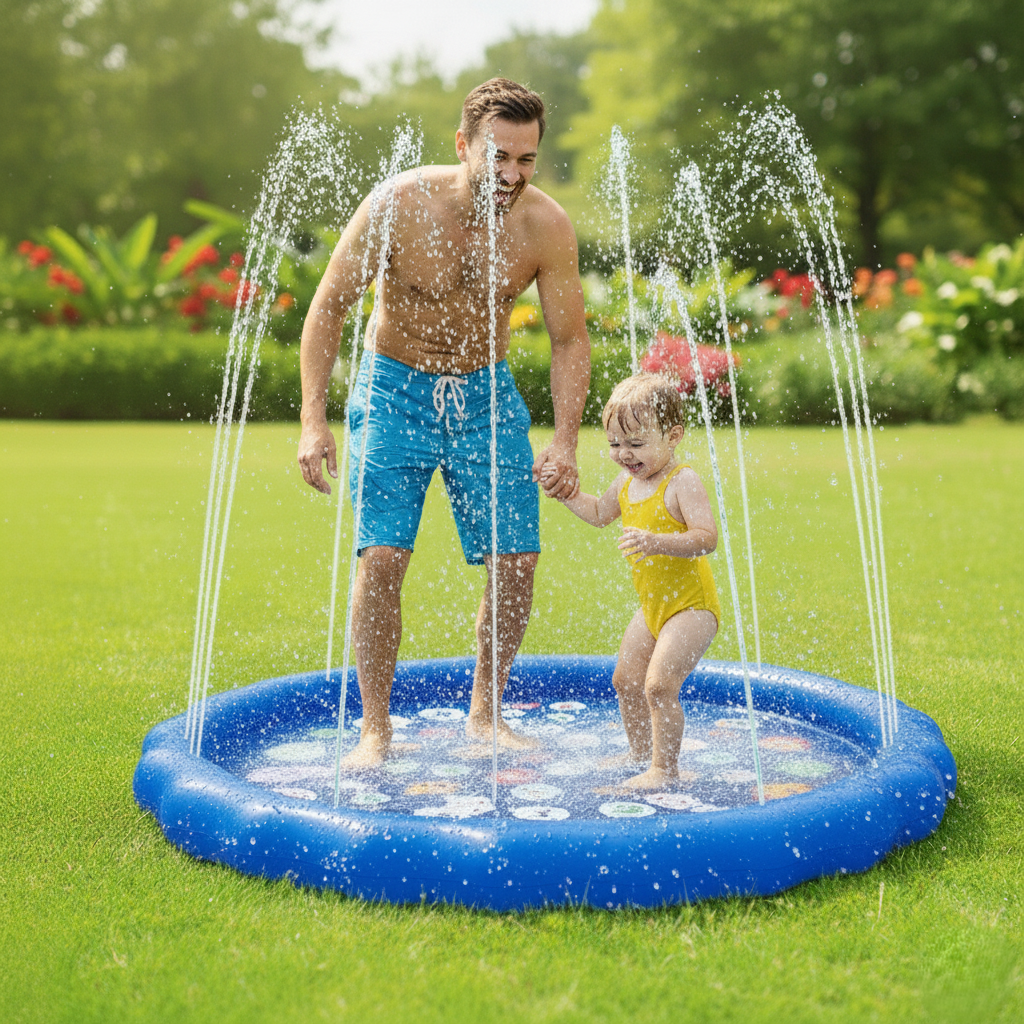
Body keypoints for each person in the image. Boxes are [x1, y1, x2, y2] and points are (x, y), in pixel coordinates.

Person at [297, 78, 591, 767]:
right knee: (383, 557)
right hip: (395, 389)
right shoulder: (398, 204)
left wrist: (567, 440)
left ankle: (486, 715)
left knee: (517, 559)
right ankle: (376, 729)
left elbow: (570, 339)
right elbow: (330, 306)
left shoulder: (545, 226)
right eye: (499, 156)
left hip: (484, 396)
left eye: (526, 160)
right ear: (464, 145)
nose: (513, 174)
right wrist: (314, 419)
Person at [550, 373, 720, 789]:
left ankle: (665, 771)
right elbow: (598, 514)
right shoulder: (627, 481)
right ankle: (640, 753)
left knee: (659, 685)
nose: (623, 454)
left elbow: (706, 538)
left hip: (691, 608)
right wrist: (567, 494)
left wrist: (656, 541)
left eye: (636, 443)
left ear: (673, 435)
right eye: (614, 444)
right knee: (626, 680)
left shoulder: (683, 481)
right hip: (652, 608)